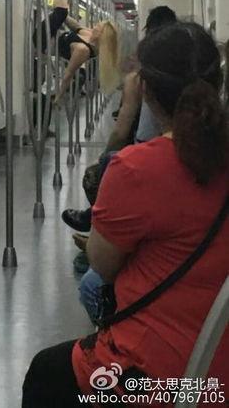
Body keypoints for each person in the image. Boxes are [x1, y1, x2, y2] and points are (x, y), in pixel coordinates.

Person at [23, 22, 229, 406]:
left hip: (166, 380)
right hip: (220, 366)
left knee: (46, 372)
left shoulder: (137, 168)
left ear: (144, 88)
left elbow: (103, 264)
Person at [62, 5, 178, 236]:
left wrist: (105, 157)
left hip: (150, 145)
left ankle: (99, 225)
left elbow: (122, 129)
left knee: (107, 165)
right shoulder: (186, 69)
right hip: (180, 146)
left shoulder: (143, 75)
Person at [36, 0, 120, 103]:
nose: (94, 27)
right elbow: (74, 25)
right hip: (51, 34)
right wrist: (63, 14)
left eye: (98, 28)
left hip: (43, 44)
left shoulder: (84, 50)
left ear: (101, 35)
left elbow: (68, 74)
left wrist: (59, 97)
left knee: (61, 11)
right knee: (61, 12)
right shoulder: (88, 34)